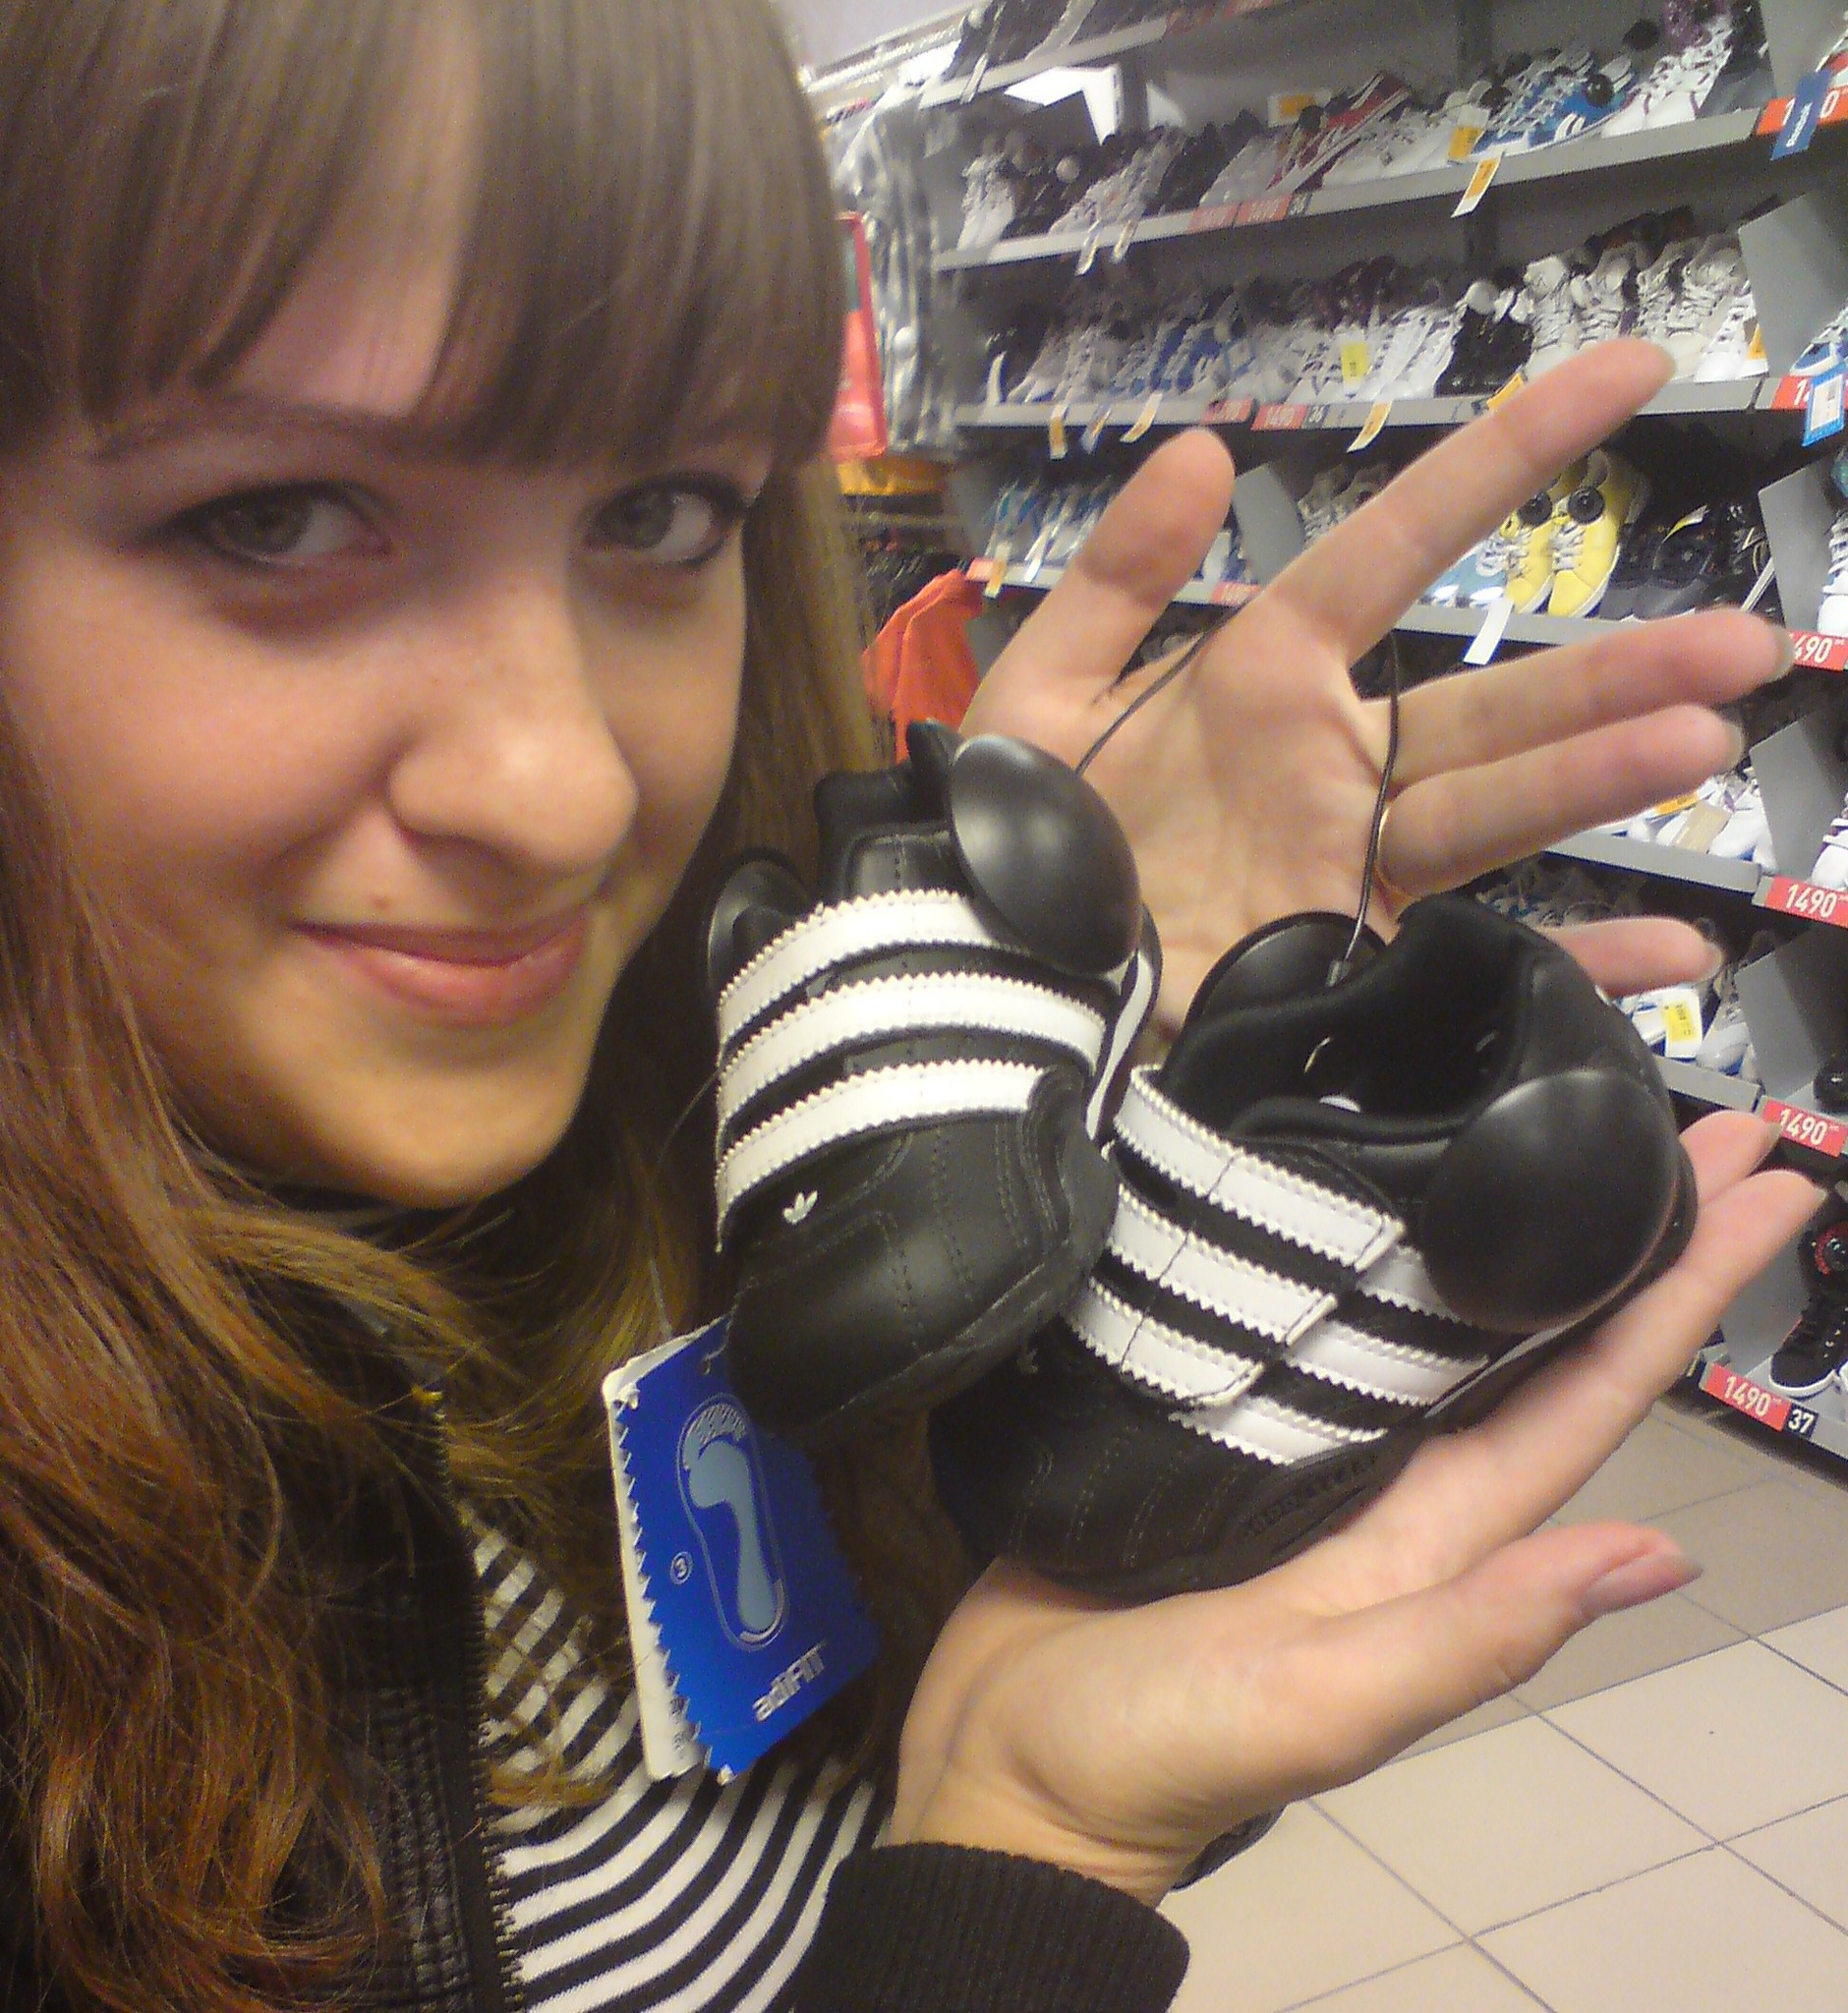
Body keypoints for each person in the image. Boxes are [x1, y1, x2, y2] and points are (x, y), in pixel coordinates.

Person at [0, 4, 1819, 2010]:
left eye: (659, 513)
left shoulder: (662, 1156)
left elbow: (820, 1832)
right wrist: (1020, 1897)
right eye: (271, 517)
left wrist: (1027, 1578)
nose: (565, 792)